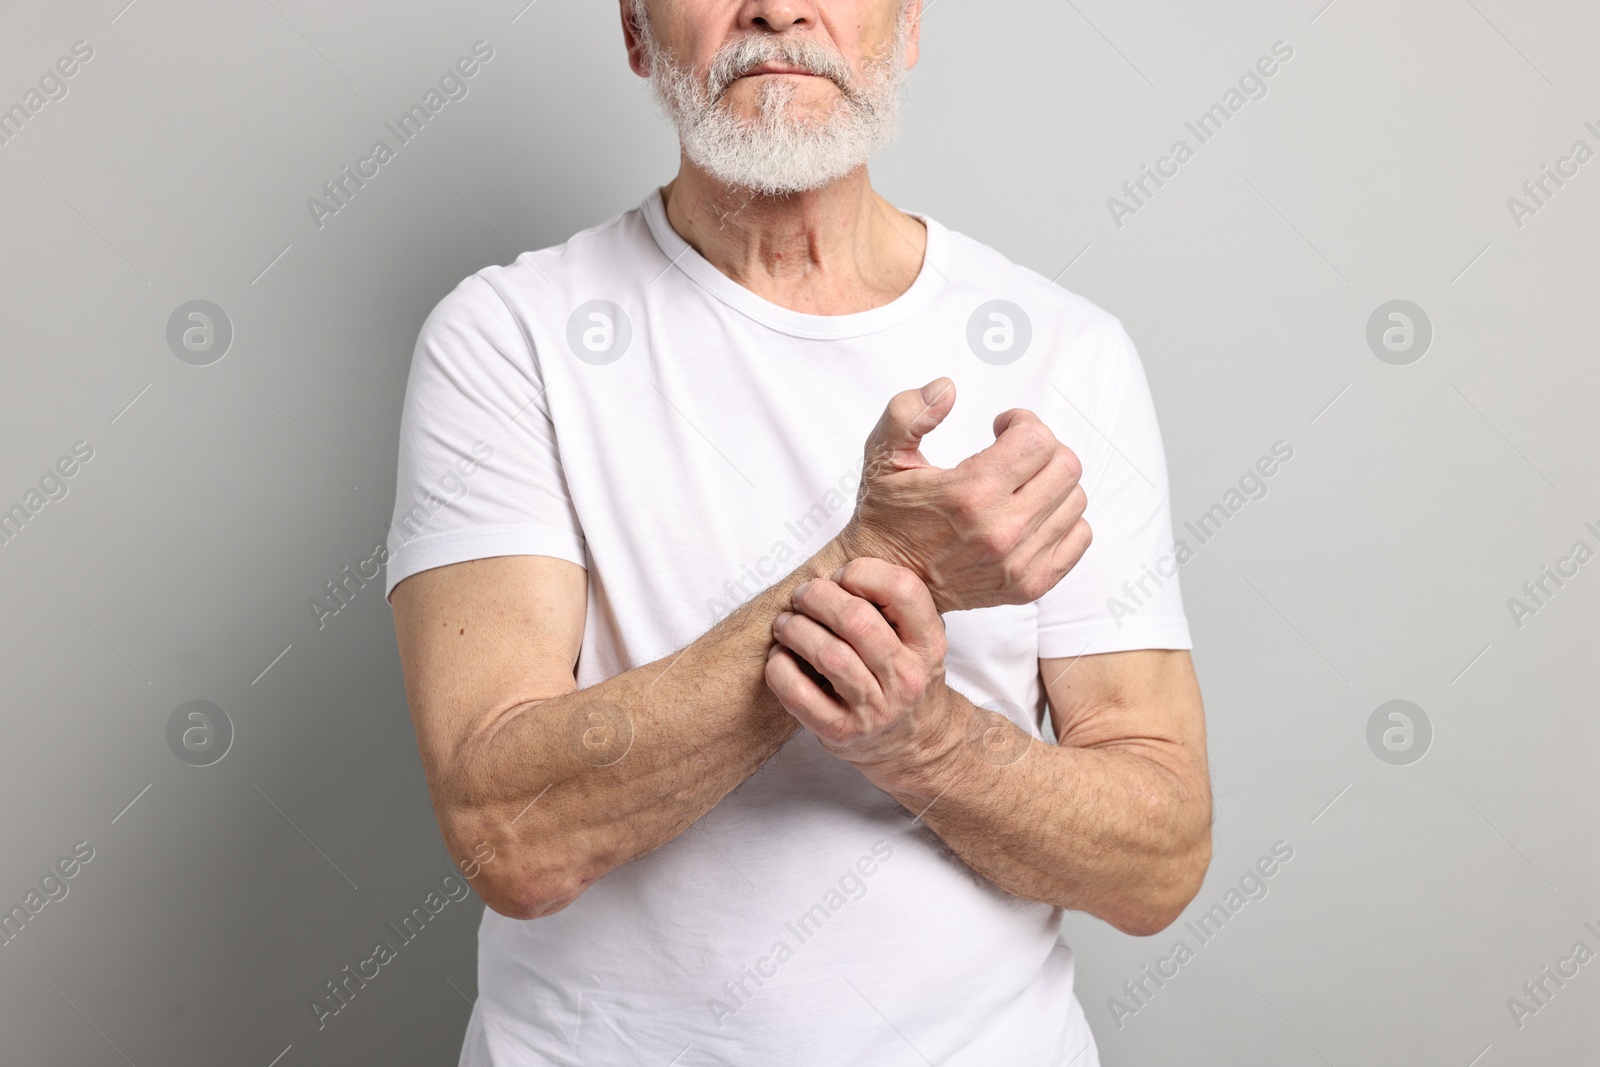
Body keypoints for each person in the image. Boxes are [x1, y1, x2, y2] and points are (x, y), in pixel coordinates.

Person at [385, 2, 1211, 1063]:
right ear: (636, 32)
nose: (776, 8)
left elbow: (1158, 862)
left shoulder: (1065, 353)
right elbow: (510, 834)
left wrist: (926, 744)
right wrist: (882, 563)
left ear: (906, 26)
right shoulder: (510, 338)